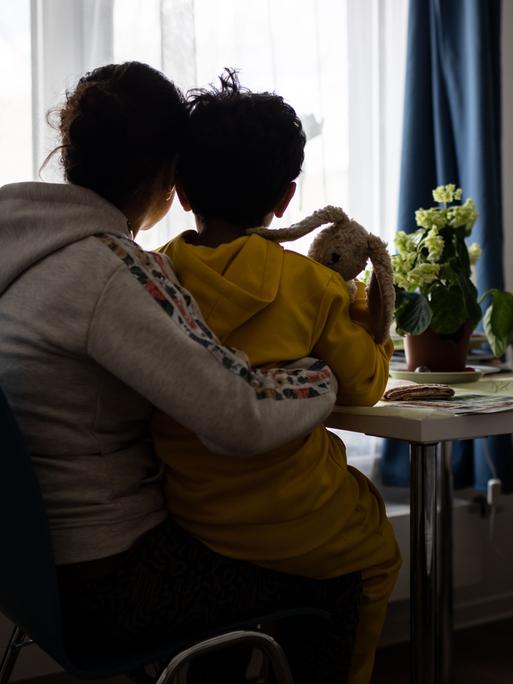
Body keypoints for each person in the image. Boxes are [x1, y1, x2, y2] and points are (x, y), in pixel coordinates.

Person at [0, 61, 366, 684]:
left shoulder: (25, 249)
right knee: (334, 578)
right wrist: (320, 375)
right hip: (108, 581)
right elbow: (238, 416)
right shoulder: (110, 271)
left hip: (28, 574)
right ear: (170, 175)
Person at [154, 71, 401, 684]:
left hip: (193, 516)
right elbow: (367, 385)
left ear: (181, 189)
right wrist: (369, 314)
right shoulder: (309, 283)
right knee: (376, 550)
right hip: (303, 518)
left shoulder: (155, 276)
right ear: (288, 199)